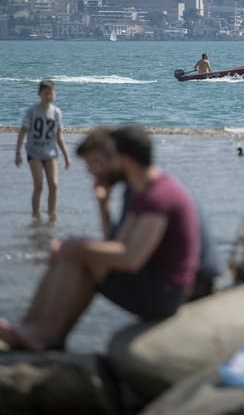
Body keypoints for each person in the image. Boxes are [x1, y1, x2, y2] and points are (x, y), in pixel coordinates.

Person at [0, 126, 200, 351]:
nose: (101, 169)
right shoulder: (140, 191)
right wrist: (101, 209)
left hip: (165, 293)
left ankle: (45, 335)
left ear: (125, 160)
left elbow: (131, 258)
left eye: (110, 158)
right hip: (149, 279)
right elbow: (116, 244)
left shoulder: (160, 196)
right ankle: (33, 328)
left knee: (79, 258)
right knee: (74, 254)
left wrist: (77, 248)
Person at [79, 128, 221, 300]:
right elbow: (116, 244)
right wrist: (103, 206)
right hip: (190, 275)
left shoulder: (142, 191)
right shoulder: (141, 185)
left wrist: (74, 249)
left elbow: (122, 254)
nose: (93, 174)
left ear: (118, 159)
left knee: (81, 264)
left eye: (95, 165)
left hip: (196, 280)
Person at [15, 79, 71, 222]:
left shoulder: (57, 112)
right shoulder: (32, 111)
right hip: (34, 153)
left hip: (51, 153)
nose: (48, 96)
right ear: (39, 94)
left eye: (51, 93)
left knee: (54, 184)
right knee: (39, 185)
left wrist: (66, 156)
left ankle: (52, 214)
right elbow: (23, 131)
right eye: (45, 93)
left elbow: (59, 136)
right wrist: (18, 153)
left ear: (54, 94)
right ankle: (36, 215)